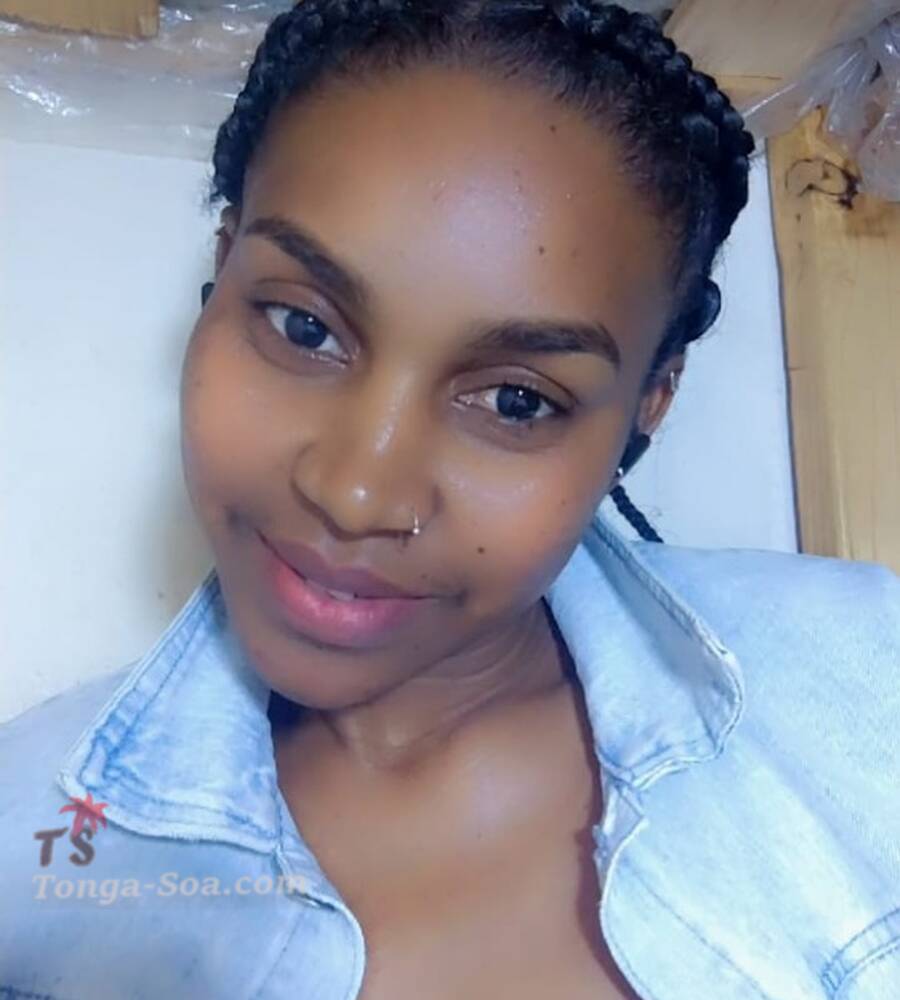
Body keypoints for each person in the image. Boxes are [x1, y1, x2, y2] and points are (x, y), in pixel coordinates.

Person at [1, 1, 898, 998]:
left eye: (516, 400)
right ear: (222, 275)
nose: (356, 493)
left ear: (650, 405)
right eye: (303, 327)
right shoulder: (30, 852)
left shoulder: (871, 681)